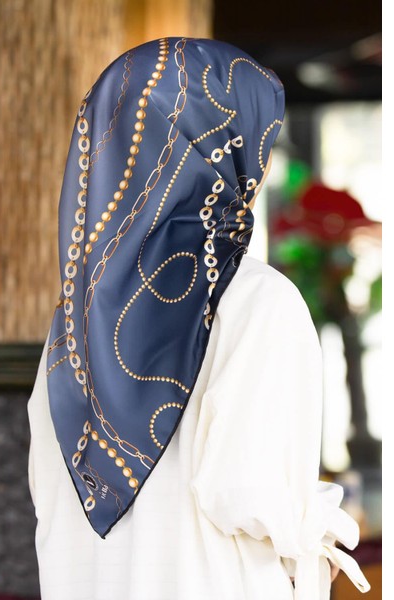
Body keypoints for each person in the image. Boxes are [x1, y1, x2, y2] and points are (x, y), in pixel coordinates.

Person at [27, 37, 371, 599]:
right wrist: (319, 533)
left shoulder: (70, 328)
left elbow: (52, 498)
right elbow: (252, 496)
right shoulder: (259, 302)